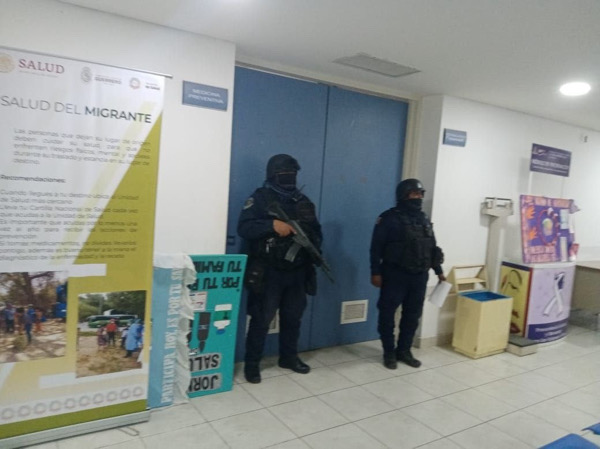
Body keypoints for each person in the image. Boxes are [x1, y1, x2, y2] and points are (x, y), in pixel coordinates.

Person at [238, 154, 323, 384]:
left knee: (293, 317)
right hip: (269, 271)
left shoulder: (304, 202)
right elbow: (244, 228)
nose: (290, 178)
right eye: (285, 174)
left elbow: (317, 232)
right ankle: (252, 364)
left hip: (297, 271)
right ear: (273, 175)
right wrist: (272, 225)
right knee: (261, 319)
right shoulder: (260, 199)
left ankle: (288, 357)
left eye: (293, 174)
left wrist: (312, 247)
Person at [370, 178, 446, 369]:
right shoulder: (388, 218)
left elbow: (432, 247)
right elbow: (376, 248)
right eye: (414, 193)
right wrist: (375, 272)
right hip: (395, 274)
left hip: (419, 276)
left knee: (412, 316)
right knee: (387, 314)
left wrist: (439, 271)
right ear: (403, 196)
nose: (418, 197)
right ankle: (389, 352)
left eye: (420, 194)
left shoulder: (424, 218)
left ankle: (404, 351)